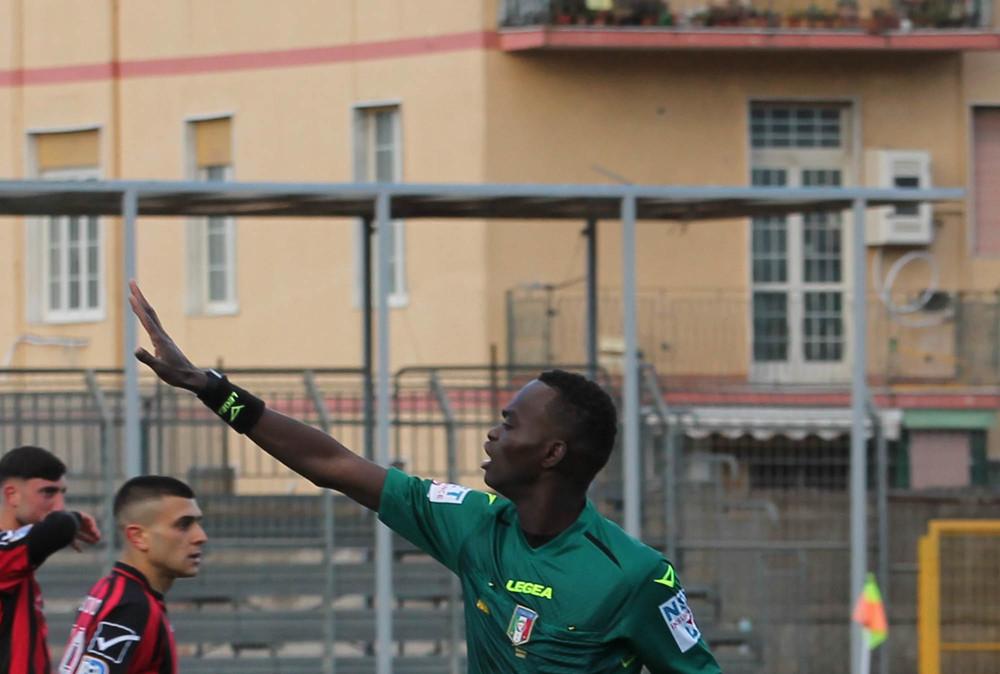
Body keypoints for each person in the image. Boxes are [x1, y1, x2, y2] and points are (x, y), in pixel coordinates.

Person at [128, 280, 720, 673]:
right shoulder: (473, 523)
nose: (492, 434)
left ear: (552, 454)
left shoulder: (636, 575)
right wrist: (213, 389)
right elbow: (334, 465)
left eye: (510, 425)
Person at [59, 475, 207, 674]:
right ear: (138, 537)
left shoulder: (110, 589)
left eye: (197, 523)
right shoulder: (131, 606)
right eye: (183, 525)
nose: (200, 537)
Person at [0, 445, 101, 674]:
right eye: (48, 492)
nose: (59, 506)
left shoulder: (18, 560)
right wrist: (73, 518)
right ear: (11, 494)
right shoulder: (6, 553)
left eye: (62, 493)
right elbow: (59, 527)